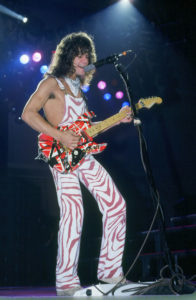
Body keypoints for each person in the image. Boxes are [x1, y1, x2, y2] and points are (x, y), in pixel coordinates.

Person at [22, 32, 132, 296]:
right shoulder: (51, 83)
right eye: (79, 54)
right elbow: (27, 113)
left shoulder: (79, 91)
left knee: (116, 204)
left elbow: (85, 131)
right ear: (68, 56)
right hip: (60, 155)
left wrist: (117, 119)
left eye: (87, 55)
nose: (84, 59)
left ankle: (109, 273)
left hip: (83, 155)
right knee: (74, 214)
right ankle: (66, 282)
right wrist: (60, 135)